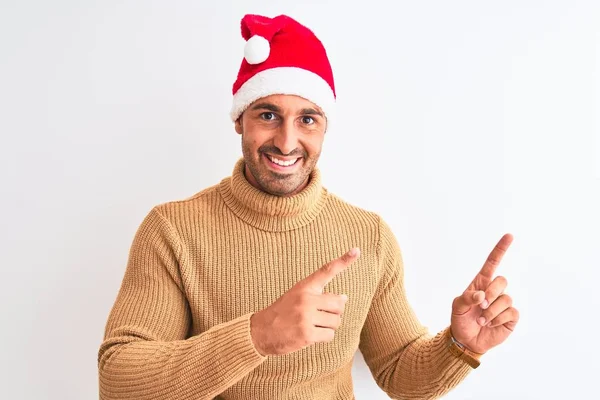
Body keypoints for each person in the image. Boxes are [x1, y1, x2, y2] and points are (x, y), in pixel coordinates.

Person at [97, 13, 519, 400]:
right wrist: (257, 335)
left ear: (325, 127)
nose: (286, 141)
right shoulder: (173, 230)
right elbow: (118, 381)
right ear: (238, 120)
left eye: (307, 119)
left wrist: (459, 345)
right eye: (267, 115)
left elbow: (398, 372)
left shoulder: (367, 235)